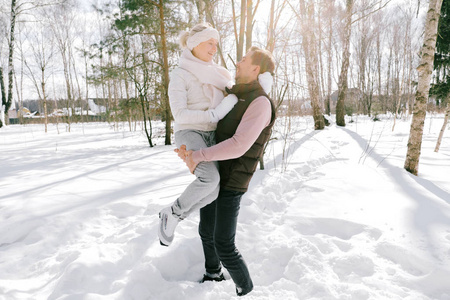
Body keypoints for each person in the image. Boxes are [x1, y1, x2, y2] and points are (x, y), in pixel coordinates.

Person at [177, 46, 276, 297]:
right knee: (205, 231)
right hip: (217, 174)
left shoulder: (260, 102)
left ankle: (247, 290)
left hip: (233, 180)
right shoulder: (236, 95)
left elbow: (239, 145)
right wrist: (192, 148)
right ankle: (213, 273)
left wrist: (198, 157)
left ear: (256, 69)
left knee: (224, 243)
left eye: (244, 60)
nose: (238, 62)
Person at [158, 23, 238, 246]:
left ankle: (172, 215)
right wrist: (214, 114)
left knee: (213, 192)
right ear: (195, 44)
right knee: (209, 179)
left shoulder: (219, 74)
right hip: (190, 132)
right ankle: (173, 213)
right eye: (210, 43)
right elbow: (180, 114)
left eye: (216, 44)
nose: (214, 48)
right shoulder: (180, 74)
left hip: (213, 135)